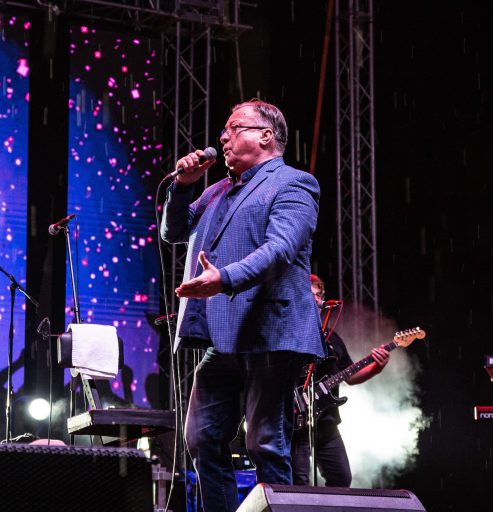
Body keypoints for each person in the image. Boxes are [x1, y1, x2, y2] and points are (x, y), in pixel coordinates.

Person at [160, 98, 325, 511]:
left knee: (265, 443)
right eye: (225, 130)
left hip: (270, 331)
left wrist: (225, 278)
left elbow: (280, 249)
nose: (223, 137)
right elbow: (173, 232)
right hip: (224, 336)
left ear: (266, 136)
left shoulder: (294, 183)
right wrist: (183, 187)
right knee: (202, 438)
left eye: (234, 128)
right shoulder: (216, 190)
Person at [290, 274, 390, 487]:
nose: (316, 300)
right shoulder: (288, 333)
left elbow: (350, 376)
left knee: (341, 478)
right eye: (310, 295)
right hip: (297, 421)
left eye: (319, 295)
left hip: (327, 422)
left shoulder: (331, 338)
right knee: (298, 482)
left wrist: (376, 367)